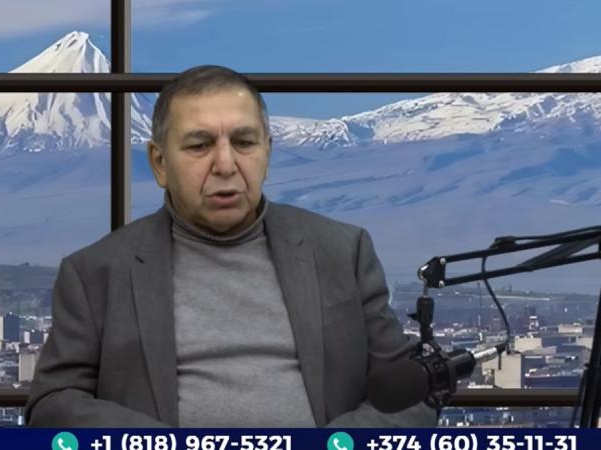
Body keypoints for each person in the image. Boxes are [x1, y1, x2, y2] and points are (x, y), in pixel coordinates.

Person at [25, 65, 438, 427]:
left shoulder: (343, 251)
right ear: (159, 163)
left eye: (244, 142)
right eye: (199, 145)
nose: (225, 165)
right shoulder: (95, 272)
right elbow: (53, 403)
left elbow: (413, 391)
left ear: (267, 153)